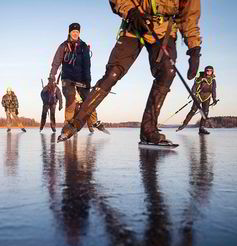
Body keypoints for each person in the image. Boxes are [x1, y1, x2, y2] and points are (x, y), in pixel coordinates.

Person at [58, 0, 202, 143]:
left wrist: (194, 48)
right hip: (134, 26)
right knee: (113, 73)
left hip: (164, 30)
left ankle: (148, 130)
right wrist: (130, 11)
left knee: (168, 72)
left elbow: (189, 14)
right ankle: (75, 123)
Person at [48, 22, 108, 134]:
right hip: (67, 78)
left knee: (89, 100)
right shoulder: (63, 46)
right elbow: (56, 62)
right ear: (69, 32)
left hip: (82, 79)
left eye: (77, 32)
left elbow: (87, 65)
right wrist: (52, 77)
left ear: (79, 33)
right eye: (73, 31)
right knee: (71, 100)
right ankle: (68, 124)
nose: (75, 34)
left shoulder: (84, 46)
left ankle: (94, 122)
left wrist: (88, 81)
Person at [177, 65, 217, 134]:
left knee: (205, 113)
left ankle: (202, 128)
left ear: (212, 72)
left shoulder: (213, 80)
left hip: (207, 97)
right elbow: (194, 86)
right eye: (207, 70)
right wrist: (194, 94)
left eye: (210, 71)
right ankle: (184, 124)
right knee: (193, 110)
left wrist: (214, 99)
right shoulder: (200, 78)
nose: (209, 72)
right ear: (205, 71)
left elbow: (213, 90)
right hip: (198, 96)